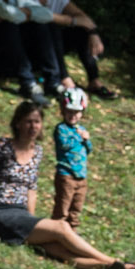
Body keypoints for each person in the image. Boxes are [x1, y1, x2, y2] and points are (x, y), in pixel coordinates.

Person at [0, 99, 135, 269]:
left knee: (60, 252)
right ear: (18, 123)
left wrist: (31, 219)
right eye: (28, 121)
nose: (33, 126)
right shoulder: (2, 146)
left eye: (37, 122)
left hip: (21, 216)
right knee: (61, 227)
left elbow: (32, 187)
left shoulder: (37, 151)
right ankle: (113, 262)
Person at [28, 0, 109, 95]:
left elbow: (82, 17)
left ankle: (94, 79)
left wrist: (93, 33)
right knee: (52, 27)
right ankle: (64, 77)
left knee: (80, 31)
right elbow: (42, 16)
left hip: (52, 48)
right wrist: (70, 20)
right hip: (31, 47)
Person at [51, 85, 90, 226]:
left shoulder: (81, 129)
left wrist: (86, 140)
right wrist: (78, 138)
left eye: (77, 112)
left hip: (81, 175)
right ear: (63, 110)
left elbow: (88, 150)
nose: (73, 115)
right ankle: (55, 232)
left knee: (76, 208)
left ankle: (72, 233)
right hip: (66, 174)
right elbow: (64, 145)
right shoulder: (61, 129)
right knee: (62, 207)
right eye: (69, 111)